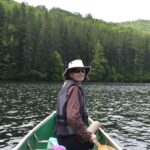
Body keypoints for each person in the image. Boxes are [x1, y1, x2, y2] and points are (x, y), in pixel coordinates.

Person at [56, 59, 100, 150]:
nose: (81, 73)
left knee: (96, 123)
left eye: (82, 70)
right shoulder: (74, 89)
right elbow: (72, 117)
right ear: (70, 74)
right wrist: (88, 137)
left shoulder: (66, 86)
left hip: (61, 139)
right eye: (77, 70)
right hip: (72, 143)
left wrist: (86, 118)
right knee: (96, 124)